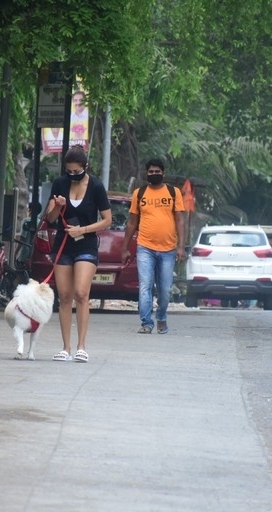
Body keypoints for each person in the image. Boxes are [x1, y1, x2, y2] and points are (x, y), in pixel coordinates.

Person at [44, 146, 111, 362]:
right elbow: (50, 218)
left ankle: (82, 346)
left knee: (81, 293)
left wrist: (83, 229)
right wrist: (59, 206)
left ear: (85, 167)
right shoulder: (60, 184)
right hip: (64, 244)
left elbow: (107, 220)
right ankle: (66, 347)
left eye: (76, 171)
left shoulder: (96, 186)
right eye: (69, 171)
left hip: (86, 244)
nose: (72, 175)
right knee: (64, 296)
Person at [121, 158, 185, 334]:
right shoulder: (139, 193)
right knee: (145, 286)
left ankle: (162, 318)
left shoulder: (174, 192)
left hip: (168, 249)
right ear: (146, 174)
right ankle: (146, 323)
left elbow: (180, 220)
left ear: (163, 174)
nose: (154, 174)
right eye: (151, 172)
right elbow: (132, 222)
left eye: (158, 172)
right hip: (145, 247)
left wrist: (181, 246)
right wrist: (125, 247)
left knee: (165, 289)